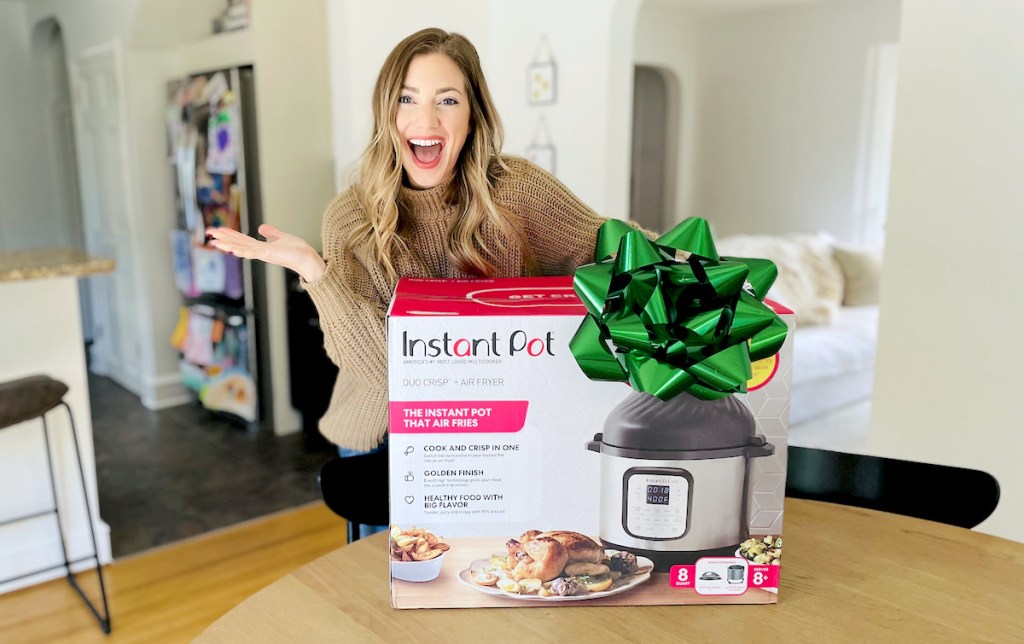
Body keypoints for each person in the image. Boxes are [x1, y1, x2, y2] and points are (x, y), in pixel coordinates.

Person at [208, 27, 611, 456]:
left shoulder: (517, 192)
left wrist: (682, 267)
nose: (426, 120)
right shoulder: (350, 219)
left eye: (448, 100)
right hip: (384, 437)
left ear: (472, 115)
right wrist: (315, 270)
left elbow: (617, 252)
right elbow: (386, 376)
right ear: (387, 112)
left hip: (501, 430)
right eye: (407, 98)